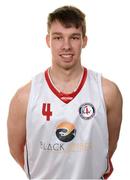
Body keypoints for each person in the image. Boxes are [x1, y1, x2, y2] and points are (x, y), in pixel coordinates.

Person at [7, 5, 123, 179]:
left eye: (74, 37)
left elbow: (108, 146)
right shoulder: (25, 97)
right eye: (58, 37)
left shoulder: (107, 92)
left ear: (84, 40)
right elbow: (16, 149)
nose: (66, 46)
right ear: (48, 40)